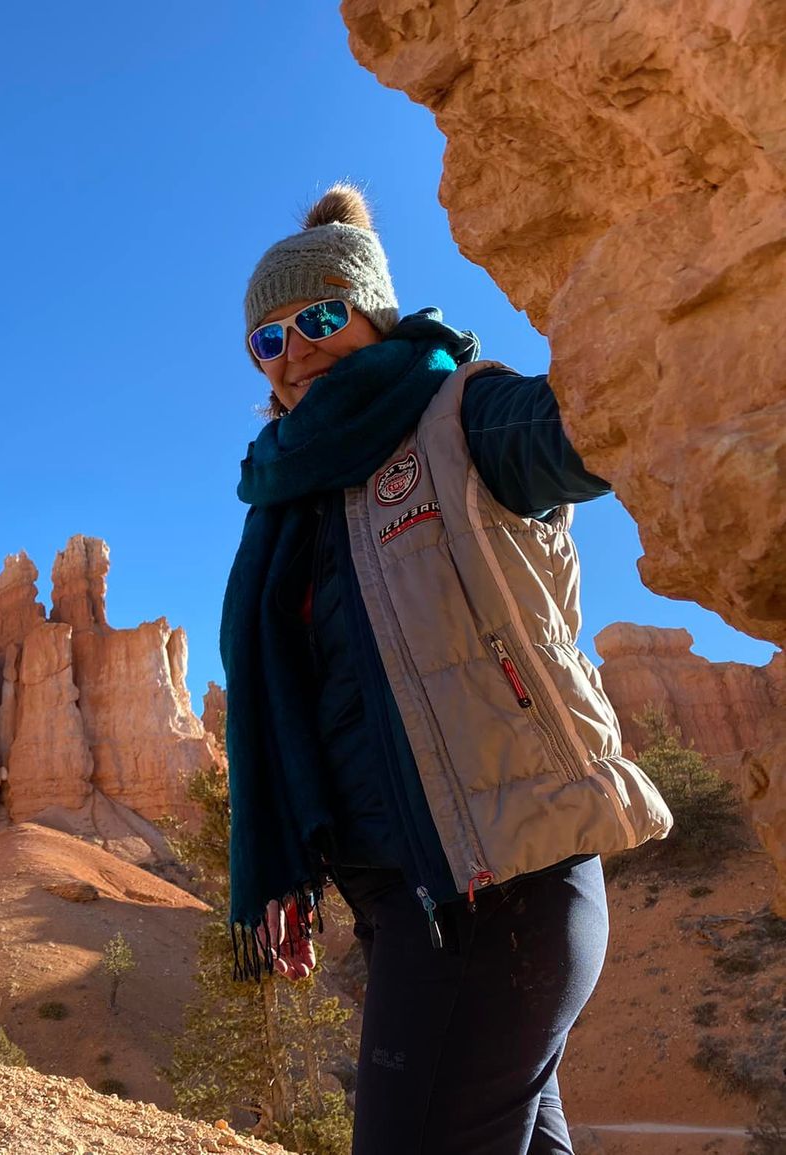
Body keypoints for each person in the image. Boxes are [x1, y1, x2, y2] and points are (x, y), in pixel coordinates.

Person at [219, 183, 673, 1155]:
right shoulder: (291, 506)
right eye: (267, 338)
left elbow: (579, 435)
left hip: (497, 893)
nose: (293, 349)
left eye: (320, 317)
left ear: (374, 313)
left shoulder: (460, 418)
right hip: (408, 905)